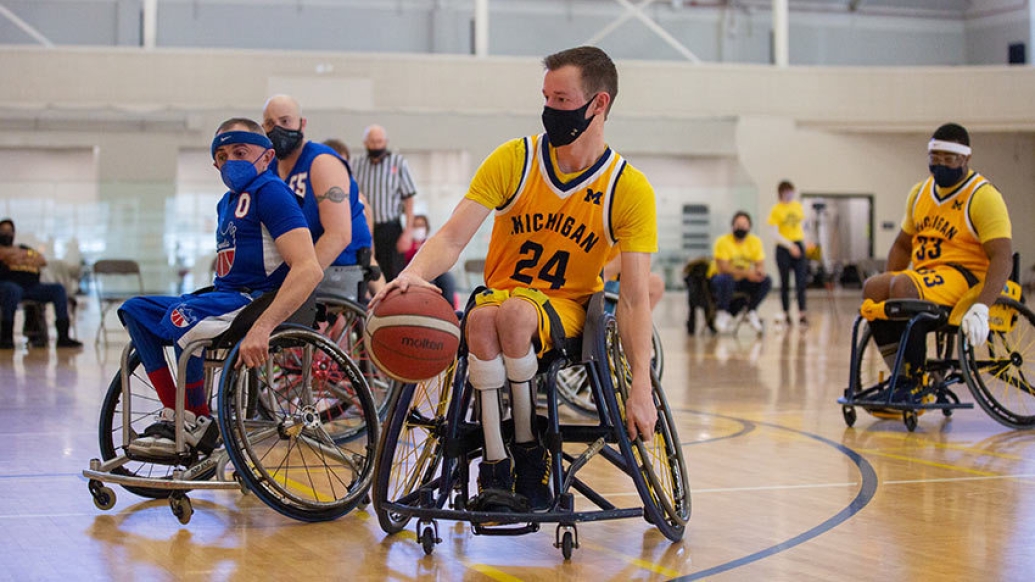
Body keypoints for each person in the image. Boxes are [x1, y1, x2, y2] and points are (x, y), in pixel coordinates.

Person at [371, 46, 658, 513]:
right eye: (546, 97)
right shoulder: (514, 159)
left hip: (565, 311)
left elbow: (634, 300)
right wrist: (408, 278)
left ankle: (530, 454)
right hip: (500, 297)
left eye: (562, 99)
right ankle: (497, 467)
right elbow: (451, 237)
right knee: (483, 320)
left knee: (516, 313)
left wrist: (640, 383)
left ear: (598, 104)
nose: (550, 110)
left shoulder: (628, 187)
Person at [119, 118, 323, 460]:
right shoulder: (226, 203)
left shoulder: (271, 192)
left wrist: (263, 326)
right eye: (222, 156)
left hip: (255, 300)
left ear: (267, 156)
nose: (230, 162)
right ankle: (177, 412)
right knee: (136, 310)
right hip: (225, 296)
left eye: (240, 152)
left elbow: (308, 268)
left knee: (184, 319)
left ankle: (196, 421)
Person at [863, 122, 1011, 383]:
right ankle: (903, 373)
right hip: (926, 276)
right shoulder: (919, 193)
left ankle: (915, 379)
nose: (940, 165)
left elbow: (1002, 256)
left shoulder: (983, 196)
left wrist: (982, 307)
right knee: (874, 289)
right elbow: (902, 245)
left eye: (948, 159)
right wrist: (889, 289)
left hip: (966, 278)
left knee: (902, 287)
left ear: (966, 157)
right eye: (935, 158)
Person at [262, 95, 383, 298]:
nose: (277, 129)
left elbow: (338, 235)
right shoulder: (269, 168)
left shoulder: (322, 162)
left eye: (285, 121)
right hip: (294, 266)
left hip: (337, 267)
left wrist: (296, 282)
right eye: (270, 124)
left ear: (302, 124)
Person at [0, 219, 83, 349]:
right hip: (10, 285)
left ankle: (63, 336)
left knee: (58, 289)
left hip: (33, 286)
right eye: (3, 231)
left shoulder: (22, 247)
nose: (7, 234)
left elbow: (41, 260)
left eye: (9, 231)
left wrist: (17, 256)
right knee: (12, 290)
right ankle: (6, 338)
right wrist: (24, 257)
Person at [351, 124, 418, 282]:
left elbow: (409, 199)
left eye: (380, 142)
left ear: (386, 142)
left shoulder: (398, 163)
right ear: (365, 143)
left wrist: (408, 232)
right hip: (366, 227)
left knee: (394, 273)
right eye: (373, 142)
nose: (376, 145)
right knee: (368, 272)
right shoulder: (357, 165)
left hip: (390, 228)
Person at [708, 211, 771, 334]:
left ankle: (751, 311)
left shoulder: (755, 242)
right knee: (726, 279)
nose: (741, 228)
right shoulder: (722, 241)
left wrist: (758, 273)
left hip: (741, 279)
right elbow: (723, 268)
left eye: (744, 225)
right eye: (738, 225)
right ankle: (722, 312)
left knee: (766, 280)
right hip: (721, 279)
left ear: (749, 227)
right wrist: (747, 273)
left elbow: (760, 264)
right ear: (732, 226)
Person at [768, 180, 808, 327]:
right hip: (783, 247)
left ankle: (802, 313)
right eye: (787, 192)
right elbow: (774, 232)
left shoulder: (797, 206)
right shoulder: (776, 209)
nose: (790, 194)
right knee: (785, 282)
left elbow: (803, 226)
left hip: (798, 243)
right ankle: (785, 313)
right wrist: (790, 246)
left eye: (792, 191)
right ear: (781, 193)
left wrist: (805, 242)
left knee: (801, 282)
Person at [402, 214, 457, 306]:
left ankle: (450, 310)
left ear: (426, 228)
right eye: (415, 226)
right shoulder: (405, 244)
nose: (418, 229)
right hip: (415, 274)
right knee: (429, 283)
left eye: (421, 226)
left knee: (448, 279)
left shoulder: (429, 244)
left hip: (434, 272)